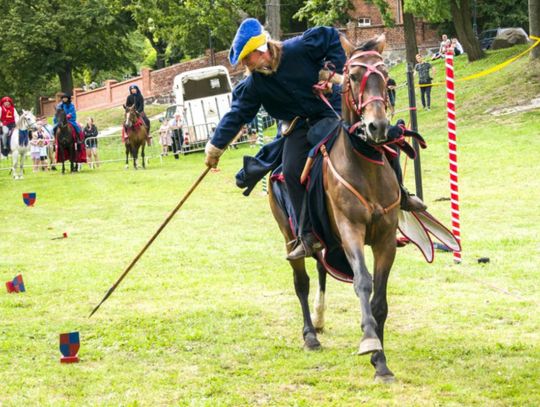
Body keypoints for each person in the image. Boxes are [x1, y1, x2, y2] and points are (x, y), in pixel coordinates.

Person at [204, 18, 426, 260]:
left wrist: (329, 71)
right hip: (297, 126)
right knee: (289, 171)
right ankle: (307, 235)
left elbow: (331, 36)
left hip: (330, 111)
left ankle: (401, 194)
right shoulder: (254, 84)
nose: (246, 65)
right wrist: (215, 149)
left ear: (261, 50)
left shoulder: (300, 47)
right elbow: (237, 115)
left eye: (248, 58)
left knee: (379, 138)